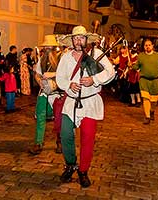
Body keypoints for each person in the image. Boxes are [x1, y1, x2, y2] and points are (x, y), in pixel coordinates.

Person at [56, 26, 115, 187]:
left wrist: (94, 80)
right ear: (72, 40)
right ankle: (70, 164)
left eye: (81, 38)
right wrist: (69, 84)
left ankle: (83, 170)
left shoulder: (95, 54)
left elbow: (111, 72)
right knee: (65, 134)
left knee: (88, 138)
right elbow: (60, 77)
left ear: (86, 40)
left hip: (90, 102)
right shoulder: (66, 57)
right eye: (75, 38)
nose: (78, 41)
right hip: (71, 102)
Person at [28, 35, 61, 155]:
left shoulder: (60, 60)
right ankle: (38, 143)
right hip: (44, 93)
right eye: (45, 46)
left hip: (57, 94)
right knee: (40, 117)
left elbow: (64, 74)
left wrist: (52, 75)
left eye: (49, 46)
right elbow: (37, 74)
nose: (47, 48)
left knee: (59, 119)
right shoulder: (41, 59)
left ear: (53, 47)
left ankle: (60, 141)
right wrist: (39, 81)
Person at [131, 39, 158, 124]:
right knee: (145, 98)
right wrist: (131, 65)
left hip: (155, 81)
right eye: (146, 45)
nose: (147, 46)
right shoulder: (141, 56)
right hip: (144, 80)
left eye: (149, 45)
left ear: (152, 46)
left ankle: (152, 111)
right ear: (144, 47)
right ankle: (147, 116)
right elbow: (136, 67)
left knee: (154, 101)